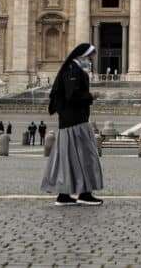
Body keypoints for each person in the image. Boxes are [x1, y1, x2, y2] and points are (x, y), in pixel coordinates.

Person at [41, 43, 104, 206]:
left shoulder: (71, 69)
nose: (91, 60)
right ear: (82, 56)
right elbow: (72, 96)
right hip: (74, 122)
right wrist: (91, 96)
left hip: (71, 121)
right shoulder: (72, 70)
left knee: (68, 158)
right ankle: (84, 193)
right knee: (86, 156)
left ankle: (65, 195)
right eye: (90, 57)